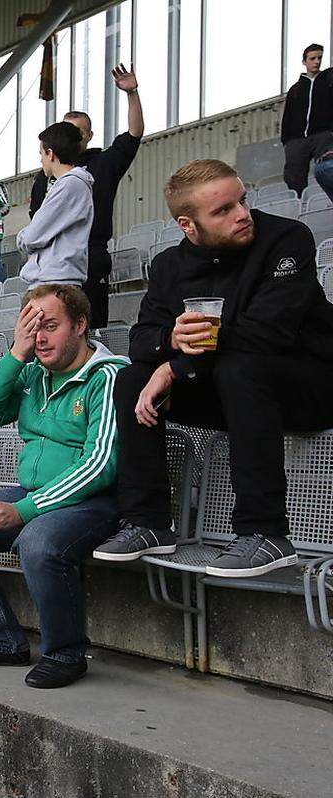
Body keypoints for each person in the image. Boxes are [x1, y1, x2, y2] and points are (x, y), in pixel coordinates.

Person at [92, 159, 333, 576]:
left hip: (311, 385)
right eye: (223, 210)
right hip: (233, 393)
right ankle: (148, 522)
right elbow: (140, 341)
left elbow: (268, 335)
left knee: (240, 367)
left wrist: (173, 367)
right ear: (188, 224)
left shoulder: (287, 238)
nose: (242, 214)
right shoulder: (170, 267)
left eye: (242, 200)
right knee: (131, 379)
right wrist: (170, 340)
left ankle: (266, 533)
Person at [0, 284, 126, 689]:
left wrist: (24, 511)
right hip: (33, 497)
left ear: (81, 325)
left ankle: (66, 653)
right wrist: (17, 352)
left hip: (93, 503)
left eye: (50, 326)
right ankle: (0, 640)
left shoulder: (108, 376)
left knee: (37, 541)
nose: (40, 338)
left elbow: (101, 464)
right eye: (32, 328)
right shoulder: (32, 371)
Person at [30, 65, 144, 327]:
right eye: (66, 130)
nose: (71, 136)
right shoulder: (43, 178)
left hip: (89, 256)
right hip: (51, 262)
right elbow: (35, 221)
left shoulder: (102, 164)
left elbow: (134, 135)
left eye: (78, 132)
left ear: (88, 136)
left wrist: (132, 94)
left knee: (88, 327)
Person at [17, 122, 95, 288]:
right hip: (53, 279)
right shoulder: (66, 185)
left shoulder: (70, 185)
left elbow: (32, 236)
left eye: (41, 154)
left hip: (55, 281)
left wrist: (22, 237)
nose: (41, 160)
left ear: (50, 153)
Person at [281, 44, 332, 197]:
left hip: (323, 134)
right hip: (296, 139)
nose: (316, 61)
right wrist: (286, 140)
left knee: (327, 167)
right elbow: (287, 116)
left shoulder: (328, 81)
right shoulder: (295, 89)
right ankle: (300, 204)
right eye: (312, 58)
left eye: (319, 58)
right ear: (304, 62)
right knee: (294, 175)